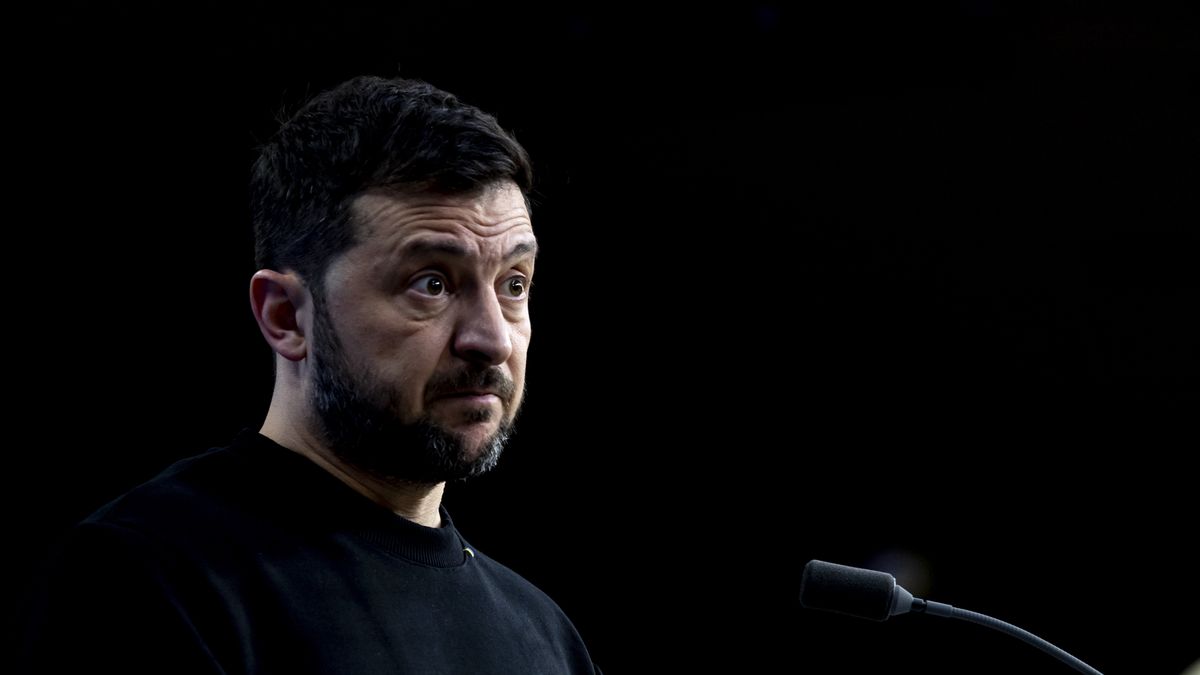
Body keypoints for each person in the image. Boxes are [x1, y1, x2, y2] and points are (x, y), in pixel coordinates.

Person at [21, 75, 601, 674]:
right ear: (285, 316)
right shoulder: (143, 577)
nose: (492, 338)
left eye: (514, 284)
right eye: (431, 283)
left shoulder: (545, 637)